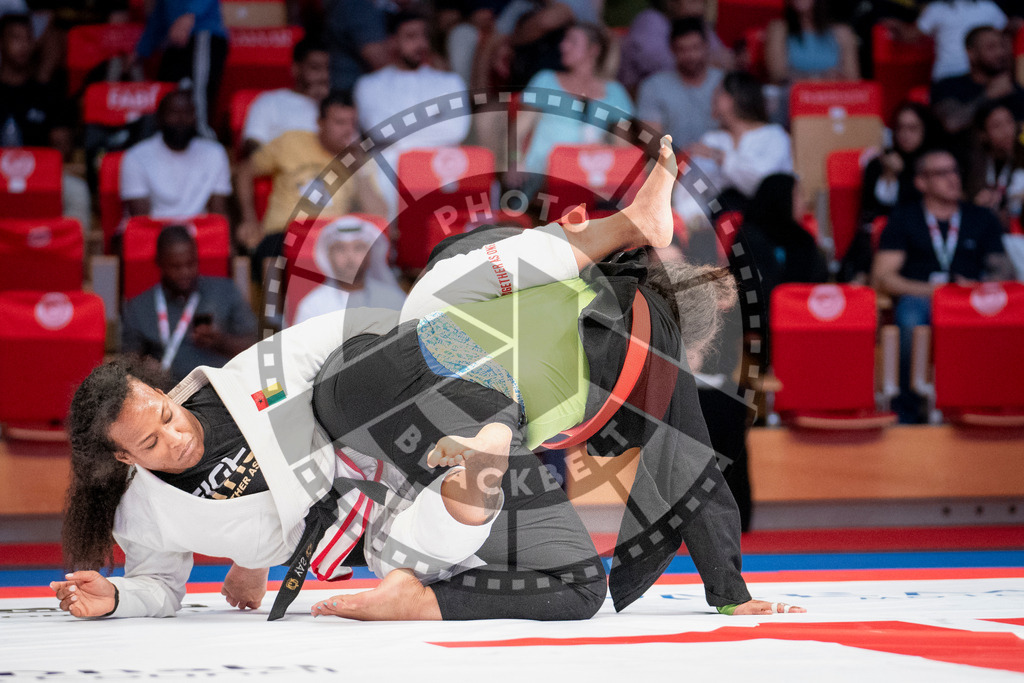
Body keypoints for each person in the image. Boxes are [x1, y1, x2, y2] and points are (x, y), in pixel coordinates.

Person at [51, 144, 802, 620]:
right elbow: (694, 471)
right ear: (125, 461)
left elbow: (365, 335)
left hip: (408, 408)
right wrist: (119, 592)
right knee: (437, 302)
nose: (173, 433)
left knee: (576, 581)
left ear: (168, 390)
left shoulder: (241, 378)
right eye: (152, 440)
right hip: (394, 447)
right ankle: (489, 437)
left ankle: (436, 578)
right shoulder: (143, 515)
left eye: (165, 414)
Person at [871, 149, 1013, 422]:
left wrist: (981, 286)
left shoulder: (981, 217)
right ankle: (907, 412)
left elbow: (1003, 269)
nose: (952, 179)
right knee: (911, 319)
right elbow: (883, 277)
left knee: (1005, 315)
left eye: (954, 171)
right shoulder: (904, 219)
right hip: (922, 295)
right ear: (921, 182)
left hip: (972, 298)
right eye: (941, 173)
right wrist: (934, 291)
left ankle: (992, 403)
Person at [236, 91, 386, 256]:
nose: (348, 130)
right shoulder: (292, 142)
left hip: (331, 242)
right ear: (319, 123)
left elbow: (379, 218)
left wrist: (358, 169)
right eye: (340, 122)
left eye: (353, 123)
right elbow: (244, 171)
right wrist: (249, 219)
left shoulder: (358, 160)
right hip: (283, 234)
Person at [353, 10, 470, 218]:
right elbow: (380, 131)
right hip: (391, 166)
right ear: (392, 42)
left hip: (440, 166)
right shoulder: (369, 84)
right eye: (411, 36)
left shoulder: (450, 81)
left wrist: (401, 128)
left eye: (424, 36)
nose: (421, 43)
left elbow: (455, 130)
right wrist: (433, 118)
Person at [121, 225, 259, 385]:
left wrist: (221, 341)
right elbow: (127, 366)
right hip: (165, 397)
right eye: (176, 267)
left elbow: (256, 347)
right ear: (159, 263)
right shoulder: (138, 308)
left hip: (219, 390)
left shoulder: (225, 291)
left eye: (191, 263)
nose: (185, 272)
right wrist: (143, 369)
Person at [514, 22, 633, 196]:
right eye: (564, 40)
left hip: (591, 177)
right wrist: (515, 162)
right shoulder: (545, 79)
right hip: (541, 174)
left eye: (572, 41)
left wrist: (604, 151)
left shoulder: (614, 92)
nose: (563, 46)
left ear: (593, 50)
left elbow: (623, 149)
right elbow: (519, 131)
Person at [684, 71, 793, 208]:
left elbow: (765, 182)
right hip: (720, 220)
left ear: (735, 98)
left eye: (719, 93)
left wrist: (719, 157)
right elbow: (699, 188)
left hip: (767, 219)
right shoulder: (712, 140)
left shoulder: (775, 136)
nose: (713, 99)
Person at [120, 89, 232, 221]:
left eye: (188, 113)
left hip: (201, 234)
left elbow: (217, 217)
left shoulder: (215, 154)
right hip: (153, 235)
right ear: (159, 119)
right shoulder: (136, 157)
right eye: (174, 113)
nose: (181, 120)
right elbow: (141, 221)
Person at [133, 0, 228, 139]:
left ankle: (203, 140)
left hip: (202, 34)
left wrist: (189, 14)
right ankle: (167, 142)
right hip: (174, 40)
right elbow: (158, 15)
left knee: (198, 97)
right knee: (167, 95)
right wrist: (140, 50)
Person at [292, 215, 406, 324]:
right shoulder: (313, 306)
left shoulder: (394, 300)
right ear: (328, 257)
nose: (349, 257)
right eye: (340, 249)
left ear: (371, 254)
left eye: (358, 248)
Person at [637, 18, 724, 149]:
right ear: (672, 49)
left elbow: (741, 131)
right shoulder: (653, 86)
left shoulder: (725, 82)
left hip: (723, 164)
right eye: (683, 49)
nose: (691, 55)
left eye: (696, 47)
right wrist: (685, 156)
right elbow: (651, 141)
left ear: (706, 46)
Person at [239, 36, 331, 156]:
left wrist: (326, 104)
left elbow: (349, 155)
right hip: (283, 172)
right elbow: (252, 144)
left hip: (329, 172)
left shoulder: (335, 106)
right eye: (315, 68)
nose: (324, 76)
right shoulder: (269, 101)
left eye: (328, 68)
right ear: (295, 69)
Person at [618, 0, 732, 94]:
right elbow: (667, 65)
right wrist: (707, 61)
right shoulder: (650, 20)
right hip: (644, 104)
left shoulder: (697, 25)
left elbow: (728, 61)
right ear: (670, 2)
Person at [930, 25, 1024, 138]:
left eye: (1002, 46)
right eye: (991, 47)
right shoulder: (948, 86)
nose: (1000, 52)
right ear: (971, 53)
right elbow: (951, 122)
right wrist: (987, 96)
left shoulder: (1014, 89)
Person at [765, 0, 860, 85]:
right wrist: (819, 78)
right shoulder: (779, 29)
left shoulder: (842, 33)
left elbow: (853, 79)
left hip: (834, 98)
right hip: (793, 97)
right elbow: (777, 75)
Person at [965, 99, 1024, 230]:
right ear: (983, 134)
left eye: (1009, 122)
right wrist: (975, 206)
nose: (1007, 131)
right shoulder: (972, 164)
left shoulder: (1022, 154)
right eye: (997, 126)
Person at [916, 0, 1007, 81]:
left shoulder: (988, 6)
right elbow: (913, 35)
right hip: (947, 77)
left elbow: (1005, 34)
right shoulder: (936, 9)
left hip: (983, 76)